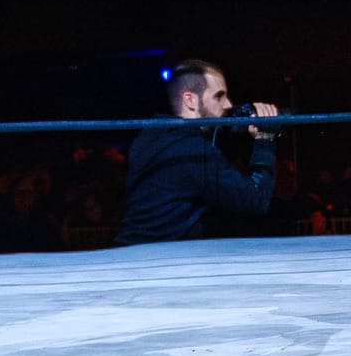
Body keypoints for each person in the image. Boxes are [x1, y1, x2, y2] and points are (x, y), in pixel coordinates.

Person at [115, 60, 281, 246]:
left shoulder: (149, 137)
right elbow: (255, 201)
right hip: (159, 257)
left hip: (130, 250)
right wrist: (265, 138)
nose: (228, 104)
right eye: (219, 96)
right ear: (190, 100)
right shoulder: (192, 149)